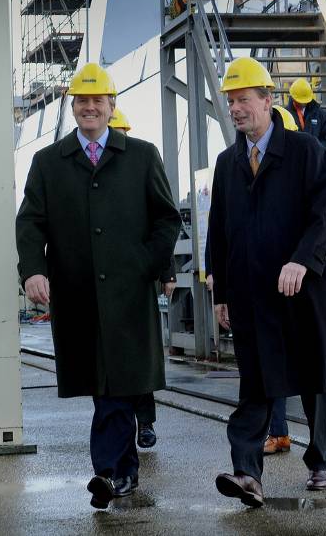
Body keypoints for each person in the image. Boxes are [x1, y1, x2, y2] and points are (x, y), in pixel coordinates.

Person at [16, 63, 181, 510]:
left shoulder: (142, 156)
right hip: (78, 296)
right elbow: (30, 222)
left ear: (111, 106)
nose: (90, 107)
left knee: (117, 385)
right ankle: (120, 471)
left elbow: (168, 218)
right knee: (106, 384)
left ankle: (110, 472)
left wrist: (148, 264)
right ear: (73, 108)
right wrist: (33, 270)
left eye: (98, 101)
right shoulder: (49, 163)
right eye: (82, 101)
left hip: (128, 295)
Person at [209, 57, 326, 508]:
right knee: (257, 383)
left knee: (313, 378)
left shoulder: (305, 151)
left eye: (244, 99)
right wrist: (221, 294)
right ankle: (247, 474)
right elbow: (218, 232)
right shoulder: (228, 164)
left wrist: (303, 261)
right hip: (253, 295)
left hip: (304, 292)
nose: (236, 108)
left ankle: (319, 459)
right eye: (231, 101)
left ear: (267, 100)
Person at [264, 106, 326, 456]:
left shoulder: (312, 166)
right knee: (274, 363)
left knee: (316, 364)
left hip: (315, 278)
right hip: (275, 284)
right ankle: (279, 432)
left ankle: (324, 417)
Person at [108, 107, 176, 450]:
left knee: (141, 356)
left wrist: (164, 271)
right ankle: (125, 426)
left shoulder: (141, 163)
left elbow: (160, 224)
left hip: (140, 279)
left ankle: (145, 423)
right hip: (113, 281)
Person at [285, 78, 326, 152]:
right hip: (293, 159)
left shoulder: (320, 114)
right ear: (293, 98)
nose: (302, 103)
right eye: (300, 101)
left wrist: (318, 150)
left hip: (314, 159)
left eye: (304, 101)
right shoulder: (285, 114)